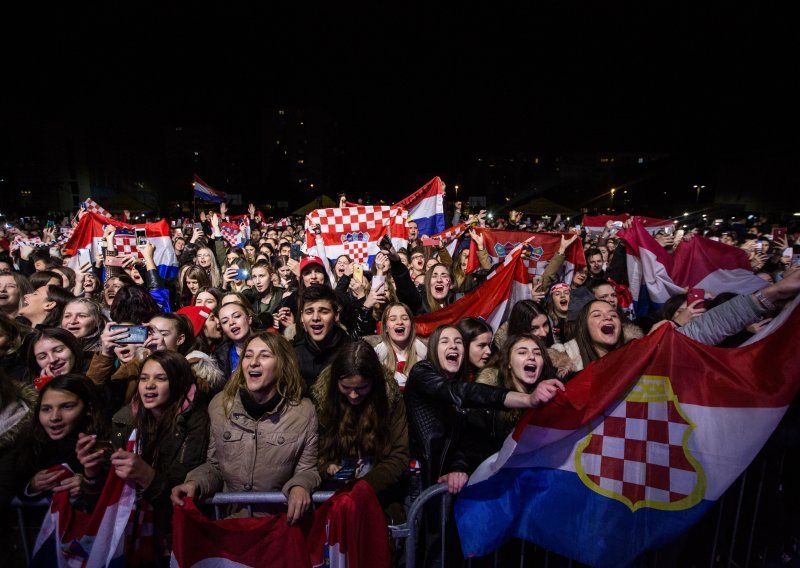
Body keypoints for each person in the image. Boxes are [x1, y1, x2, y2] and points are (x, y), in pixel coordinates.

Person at [170, 333, 321, 522]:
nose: (254, 362)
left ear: (283, 364)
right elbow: (215, 466)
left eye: (264, 355)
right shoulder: (220, 406)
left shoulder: (304, 412)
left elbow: (307, 470)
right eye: (248, 355)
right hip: (231, 524)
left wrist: (300, 486)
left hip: (277, 527)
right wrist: (195, 483)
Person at [77, 351, 209, 564]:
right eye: (144, 378)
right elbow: (104, 499)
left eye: (160, 378)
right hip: (128, 536)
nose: (149, 385)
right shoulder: (124, 421)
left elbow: (180, 494)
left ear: (178, 382)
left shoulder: (195, 422)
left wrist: (147, 476)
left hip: (174, 540)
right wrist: (91, 472)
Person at [312, 341, 409, 522]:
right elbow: (314, 451)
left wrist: (364, 486)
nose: (354, 395)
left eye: (362, 388)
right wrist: (327, 467)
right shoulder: (323, 401)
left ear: (374, 382)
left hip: (379, 498)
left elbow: (399, 455)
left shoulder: (391, 401)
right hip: (331, 500)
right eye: (346, 388)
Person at [17, 374, 104, 501]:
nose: (54, 417)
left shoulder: (105, 444)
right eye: (46, 409)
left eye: (66, 406)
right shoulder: (31, 442)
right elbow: (16, 486)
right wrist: (32, 486)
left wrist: (89, 482)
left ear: (88, 408)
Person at [475, 333, 564, 453]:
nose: (531, 357)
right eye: (522, 352)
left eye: (537, 353)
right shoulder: (489, 403)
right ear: (508, 363)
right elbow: (472, 447)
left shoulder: (555, 394)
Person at [291, 284, 351, 389]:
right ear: (301, 317)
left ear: (336, 316)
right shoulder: (292, 355)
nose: (315, 318)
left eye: (323, 311)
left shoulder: (351, 352)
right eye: (309, 312)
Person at [372, 302, 427, 388]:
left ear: (411, 325)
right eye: (393, 319)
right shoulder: (375, 358)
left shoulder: (426, 356)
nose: (400, 322)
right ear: (386, 327)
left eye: (405, 318)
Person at [213, 300, 254, 381]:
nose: (231, 322)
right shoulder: (220, 355)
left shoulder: (271, 344)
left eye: (237, 316)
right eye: (225, 321)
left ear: (249, 319)